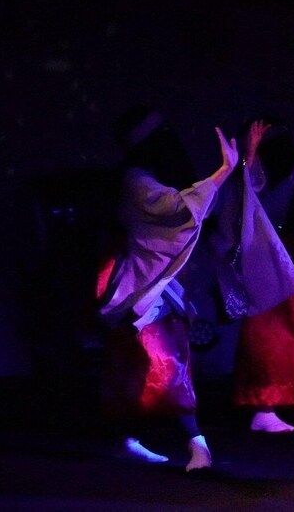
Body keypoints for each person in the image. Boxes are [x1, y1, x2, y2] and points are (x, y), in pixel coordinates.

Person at [96, 105, 239, 472]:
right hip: (142, 287)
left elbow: (194, 209)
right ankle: (195, 445)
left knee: (153, 364)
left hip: (160, 287)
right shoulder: (136, 180)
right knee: (159, 364)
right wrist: (223, 171)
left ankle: (132, 440)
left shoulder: (150, 177)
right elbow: (176, 209)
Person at [209, 113, 294, 433]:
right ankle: (262, 404)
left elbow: (276, 201)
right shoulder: (246, 179)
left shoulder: (274, 181)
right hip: (261, 258)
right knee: (267, 332)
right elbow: (250, 199)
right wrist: (250, 155)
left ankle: (271, 403)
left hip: (280, 257)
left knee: (290, 332)